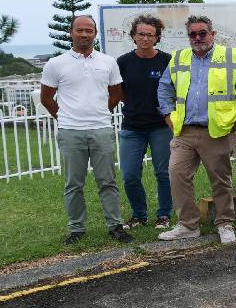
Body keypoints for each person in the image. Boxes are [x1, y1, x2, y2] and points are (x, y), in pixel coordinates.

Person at [40, 15, 132, 245]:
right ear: (71, 32)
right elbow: (46, 98)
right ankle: (76, 229)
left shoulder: (108, 62)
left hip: (101, 128)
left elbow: (116, 93)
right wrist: (64, 117)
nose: (84, 34)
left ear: (95, 34)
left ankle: (115, 226)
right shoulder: (56, 63)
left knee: (107, 181)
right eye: (79, 30)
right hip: (71, 131)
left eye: (89, 30)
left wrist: (101, 112)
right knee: (74, 183)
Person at [156, 15, 236, 245]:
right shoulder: (179, 58)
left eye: (202, 33)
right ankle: (187, 225)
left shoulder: (231, 57)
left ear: (212, 34)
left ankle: (225, 223)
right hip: (184, 130)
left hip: (217, 130)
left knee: (220, 179)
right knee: (177, 174)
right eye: (193, 34)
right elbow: (164, 88)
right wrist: (168, 116)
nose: (198, 38)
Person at [116, 15, 173, 229]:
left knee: (163, 173)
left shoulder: (167, 60)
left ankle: (164, 215)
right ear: (133, 36)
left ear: (157, 38)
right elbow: (119, 91)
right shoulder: (123, 62)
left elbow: (174, 90)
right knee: (130, 175)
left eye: (150, 35)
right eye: (141, 34)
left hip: (160, 126)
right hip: (132, 126)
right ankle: (139, 215)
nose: (145, 38)